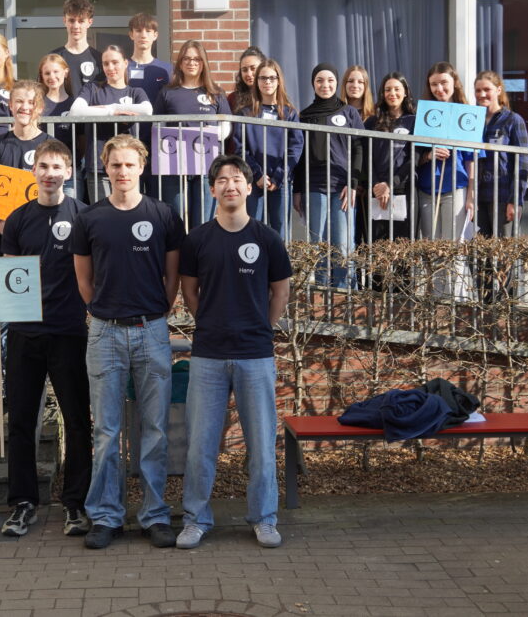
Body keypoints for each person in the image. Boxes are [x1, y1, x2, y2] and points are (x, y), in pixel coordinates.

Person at [70, 134, 184, 550]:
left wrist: (155, 312)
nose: (122, 171)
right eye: (115, 165)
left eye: (129, 164)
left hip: (151, 330)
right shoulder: (90, 218)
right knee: (106, 431)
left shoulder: (163, 214)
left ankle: (155, 515)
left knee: (154, 429)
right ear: (106, 168)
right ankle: (106, 516)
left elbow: (172, 276)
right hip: (104, 332)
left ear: (142, 167)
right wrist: (104, 311)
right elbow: (84, 281)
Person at [176, 154, 291, 550]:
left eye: (237, 178)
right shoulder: (197, 240)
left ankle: (264, 518)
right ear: (212, 190)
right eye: (222, 179)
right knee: (200, 446)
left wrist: (261, 326)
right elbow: (189, 291)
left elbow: (280, 292)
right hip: (208, 354)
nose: (230, 185)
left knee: (261, 446)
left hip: (255, 355)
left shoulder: (267, 238)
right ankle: (195, 519)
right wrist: (211, 322)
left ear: (248, 187)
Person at [0, 139, 92, 538]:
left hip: (70, 332)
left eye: (57, 167)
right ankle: (23, 503)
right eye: (44, 166)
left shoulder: (85, 216)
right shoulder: (17, 219)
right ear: (33, 171)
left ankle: (76, 504)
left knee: (77, 421)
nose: (50, 173)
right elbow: (8, 277)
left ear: (68, 172)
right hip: (25, 333)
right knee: (21, 421)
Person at [293, 62, 364, 288]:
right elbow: (300, 156)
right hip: (314, 187)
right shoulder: (305, 115)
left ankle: (345, 295)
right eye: (320, 81)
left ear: (336, 83)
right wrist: (297, 189)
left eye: (330, 80)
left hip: (342, 187)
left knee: (343, 245)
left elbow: (360, 148)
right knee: (319, 245)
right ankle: (322, 294)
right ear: (313, 84)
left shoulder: (349, 112)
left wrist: (353, 183)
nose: (325, 85)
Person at [153, 40, 232, 230]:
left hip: (206, 167)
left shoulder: (215, 93)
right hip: (174, 168)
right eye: (187, 58)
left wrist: (208, 133)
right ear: (180, 63)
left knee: (203, 222)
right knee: (176, 221)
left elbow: (226, 126)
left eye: (197, 59)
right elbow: (157, 125)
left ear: (203, 63)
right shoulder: (167, 92)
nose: (191, 63)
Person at [0, 80, 54, 246]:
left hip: (39, 227)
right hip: (0, 226)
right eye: (19, 101)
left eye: (31, 102)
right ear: (10, 105)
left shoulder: (51, 146)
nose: (25, 107)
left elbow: (54, 192)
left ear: (40, 107)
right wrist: (4, 228)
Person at [232, 57, 303, 239]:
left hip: (281, 182)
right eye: (263, 78)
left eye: (272, 78)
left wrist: (279, 176)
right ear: (257, 82)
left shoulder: (289, 113)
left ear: (279, 81)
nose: (268, 82)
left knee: (281, 234)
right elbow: (240, 148)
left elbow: (295, 147)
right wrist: (257, 175)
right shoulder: (245, 113)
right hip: (254, 181)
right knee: (253, 232)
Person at [70, 44, 152, 202]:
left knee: (129, 211)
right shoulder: (92, 88)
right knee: (102, 213)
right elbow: (75, 111)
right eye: (106, 63)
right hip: (99, 166)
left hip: (128, 167)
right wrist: (111, 112)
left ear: (125, 63)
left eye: (115, 62)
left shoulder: (135, 92)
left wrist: (110, 107)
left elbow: (147, 110)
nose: (110, 67)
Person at [417, 62, 479, 242]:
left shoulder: (467, 114)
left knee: (453, 247)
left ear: (454, 83)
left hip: (455, 188)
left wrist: (471, 196)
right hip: (426, 189)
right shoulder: (423, 114)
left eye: (444, 82)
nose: (439, 89)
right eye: (434, 84)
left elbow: (471, 160)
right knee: (431, 248)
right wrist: (429, 155)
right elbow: (414, 155)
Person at [474, 70, 528, 238]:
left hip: (503, 196)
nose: (482, 94)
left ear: (498, 90)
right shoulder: (472, 121)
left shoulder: (512, 120)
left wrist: (515, 200)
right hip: (477, 197)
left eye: (487, 89)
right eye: (478, 90)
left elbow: (522, 162)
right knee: (480, 250)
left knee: (503, 249)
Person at [362, 72, 417, 243]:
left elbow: (414, 158)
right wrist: (377, 185)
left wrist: (391, 184)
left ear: (405, 92)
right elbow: (366, 157)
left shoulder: (414, 121)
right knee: (377, 246)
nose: (392, 93)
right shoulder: (372, 123)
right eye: (388, 90)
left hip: (404, 189)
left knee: (402, 246)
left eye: (397, 89)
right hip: (376, 191)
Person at [126, 13, 173, 198]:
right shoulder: (122, 67)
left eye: (148, 30)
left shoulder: (167, 70)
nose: (143, 35)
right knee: (130, 198)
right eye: (138, 30)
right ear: (131, 35)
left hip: (158, 143)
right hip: (129, 141)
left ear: (155, 35)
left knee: (157, 199)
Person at [51, 0, 104, 99]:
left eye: (81, 21)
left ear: (89, 22)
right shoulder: (53, 58)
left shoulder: (100, 60)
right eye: (71, 20)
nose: (76, 26)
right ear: (64, 21)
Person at [38, 53, 76, 157]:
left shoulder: (74, 104)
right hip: (43, 161)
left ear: (66, 72)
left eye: (56, 72)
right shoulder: (37, 103)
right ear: (42, 76)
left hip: (69, 162)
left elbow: (81, 139)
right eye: (47, 73)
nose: (52, 76)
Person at [229, 46, 266, 114]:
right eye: (244, 70)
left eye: (253, 68)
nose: (249, 74)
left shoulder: (271, 97)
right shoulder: (232, 99)